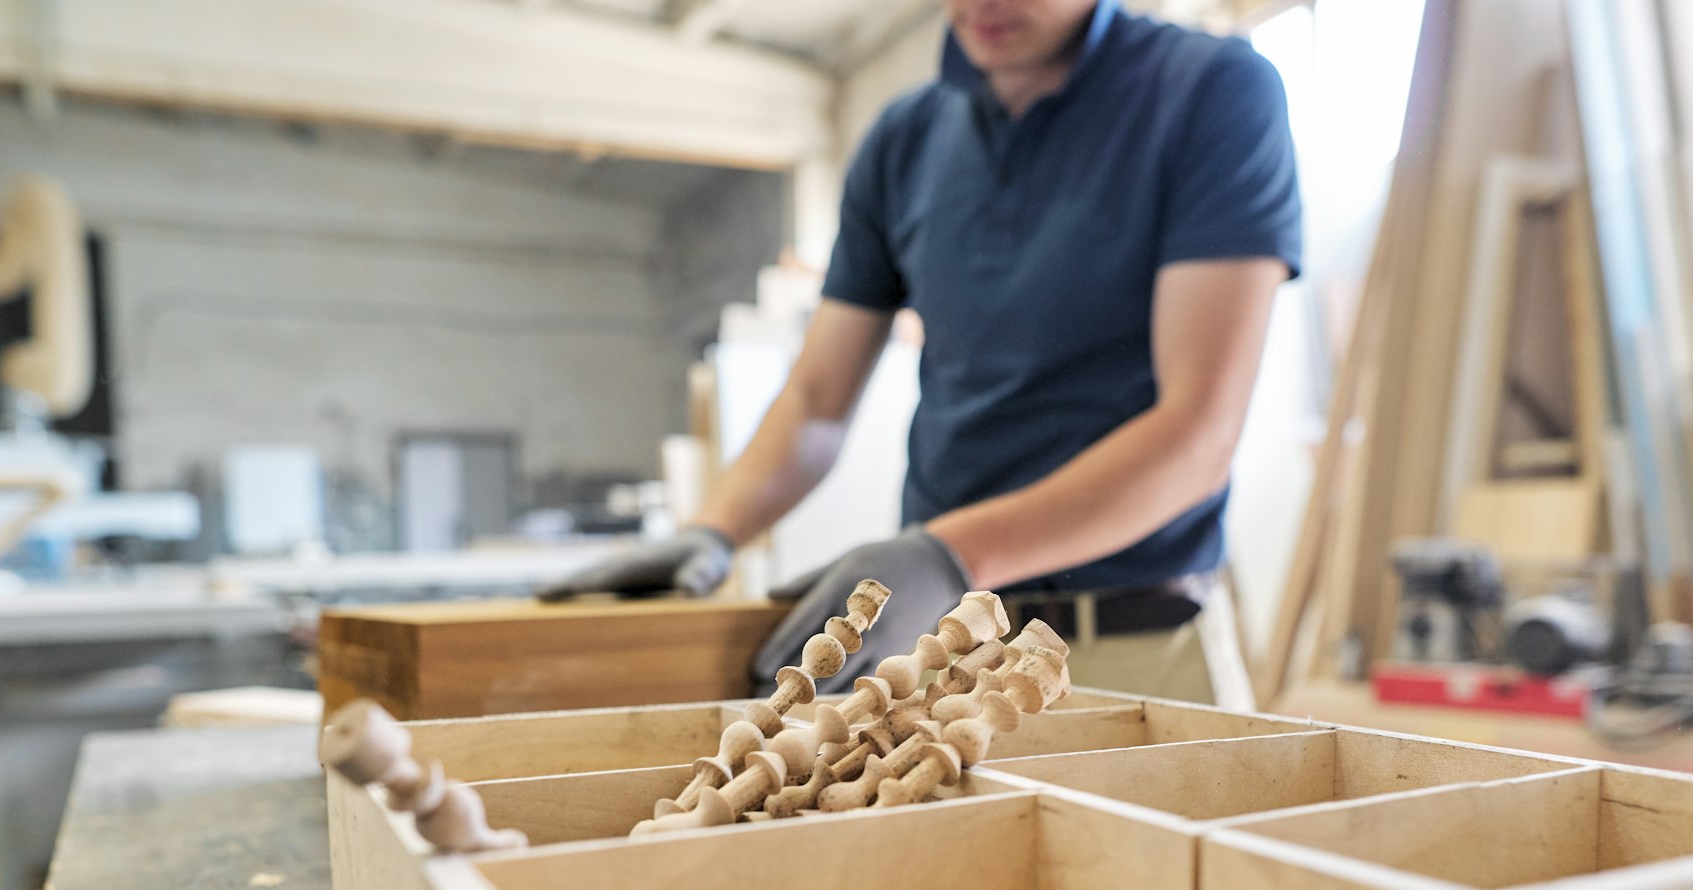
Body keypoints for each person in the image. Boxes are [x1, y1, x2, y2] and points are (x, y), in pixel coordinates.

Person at [543, 0, 1300, 699]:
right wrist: (714, 529)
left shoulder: (1213, 92)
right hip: (950, 650)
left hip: (1139, 649)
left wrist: (946, 554)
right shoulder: (904, 139)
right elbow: (816, 402)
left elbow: (1197, 433)